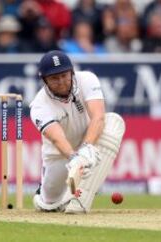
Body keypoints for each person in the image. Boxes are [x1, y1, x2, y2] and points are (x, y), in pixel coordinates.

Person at [30, 50, 125, 214]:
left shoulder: (87, 79)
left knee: (113, 123)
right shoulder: (39, 106)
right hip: (59, 155)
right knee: (50, 205)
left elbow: (98, 117)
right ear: (44, 80)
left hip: (89, 140)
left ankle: (82, 197)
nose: (61, 82)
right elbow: (57, 138)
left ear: (72, 72)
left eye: (64, 75)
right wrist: (74, 157)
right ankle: (43, 197)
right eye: (54, 78)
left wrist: (87, 148)